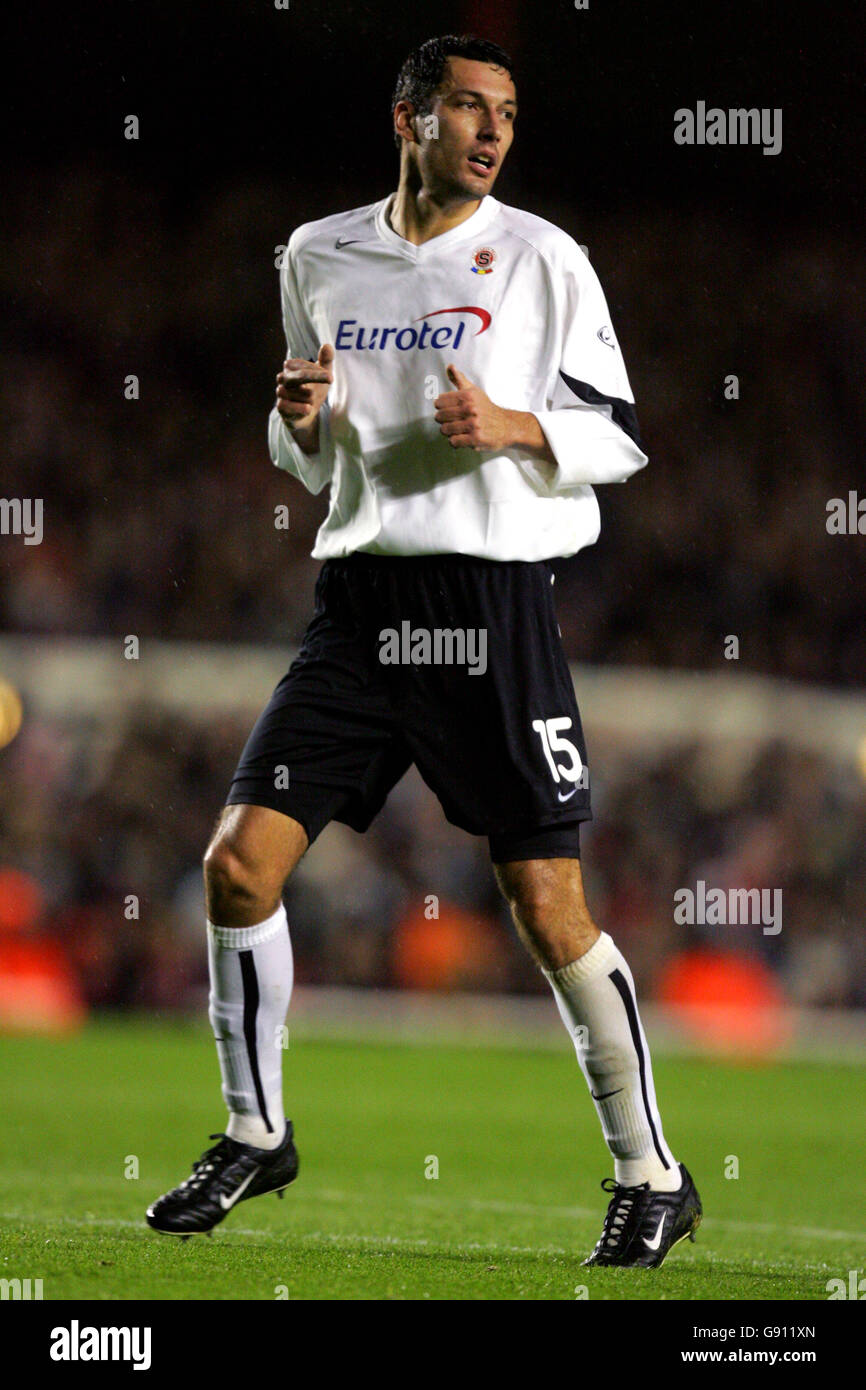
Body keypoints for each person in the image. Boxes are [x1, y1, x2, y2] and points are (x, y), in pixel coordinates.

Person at [146, 33, 701, 1268]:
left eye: (505, 110)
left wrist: (510, 424)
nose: (491, 129)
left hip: (491, 603)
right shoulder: (315, 252)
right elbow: (306, 450)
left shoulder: (544, 256)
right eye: (465, 106)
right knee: (237, 867)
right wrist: (299, 421)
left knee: (546, 902)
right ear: (406, 118)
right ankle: (254, 1129)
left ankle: (649, 1171)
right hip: (355, 605)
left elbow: (616, 440)